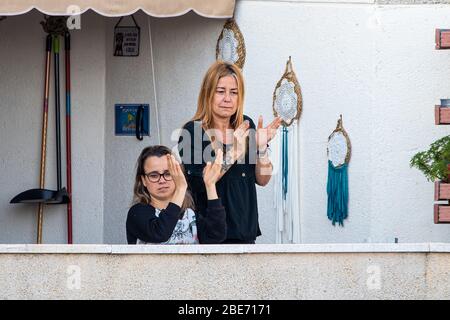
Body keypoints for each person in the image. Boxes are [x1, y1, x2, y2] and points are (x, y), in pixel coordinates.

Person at [178, 61, 282, 244]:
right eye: (220, 91)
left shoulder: (246, 125)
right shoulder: (192, 132)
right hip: (209, 235)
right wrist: (235, 151)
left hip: (245, 234)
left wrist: (262, 148)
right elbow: (201, 184)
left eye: (234, 92)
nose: (227, 98)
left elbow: (263, 180)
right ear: (207, 93)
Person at [126, 145, 226, 244]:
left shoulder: (190, 214)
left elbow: (216, 236)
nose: (162, 180)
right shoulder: (137, 213)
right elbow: (160, 233)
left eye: (168, 173)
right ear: (143, 180)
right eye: (154, 175)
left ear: (178, 175)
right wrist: (180, 188)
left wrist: (210, 186)